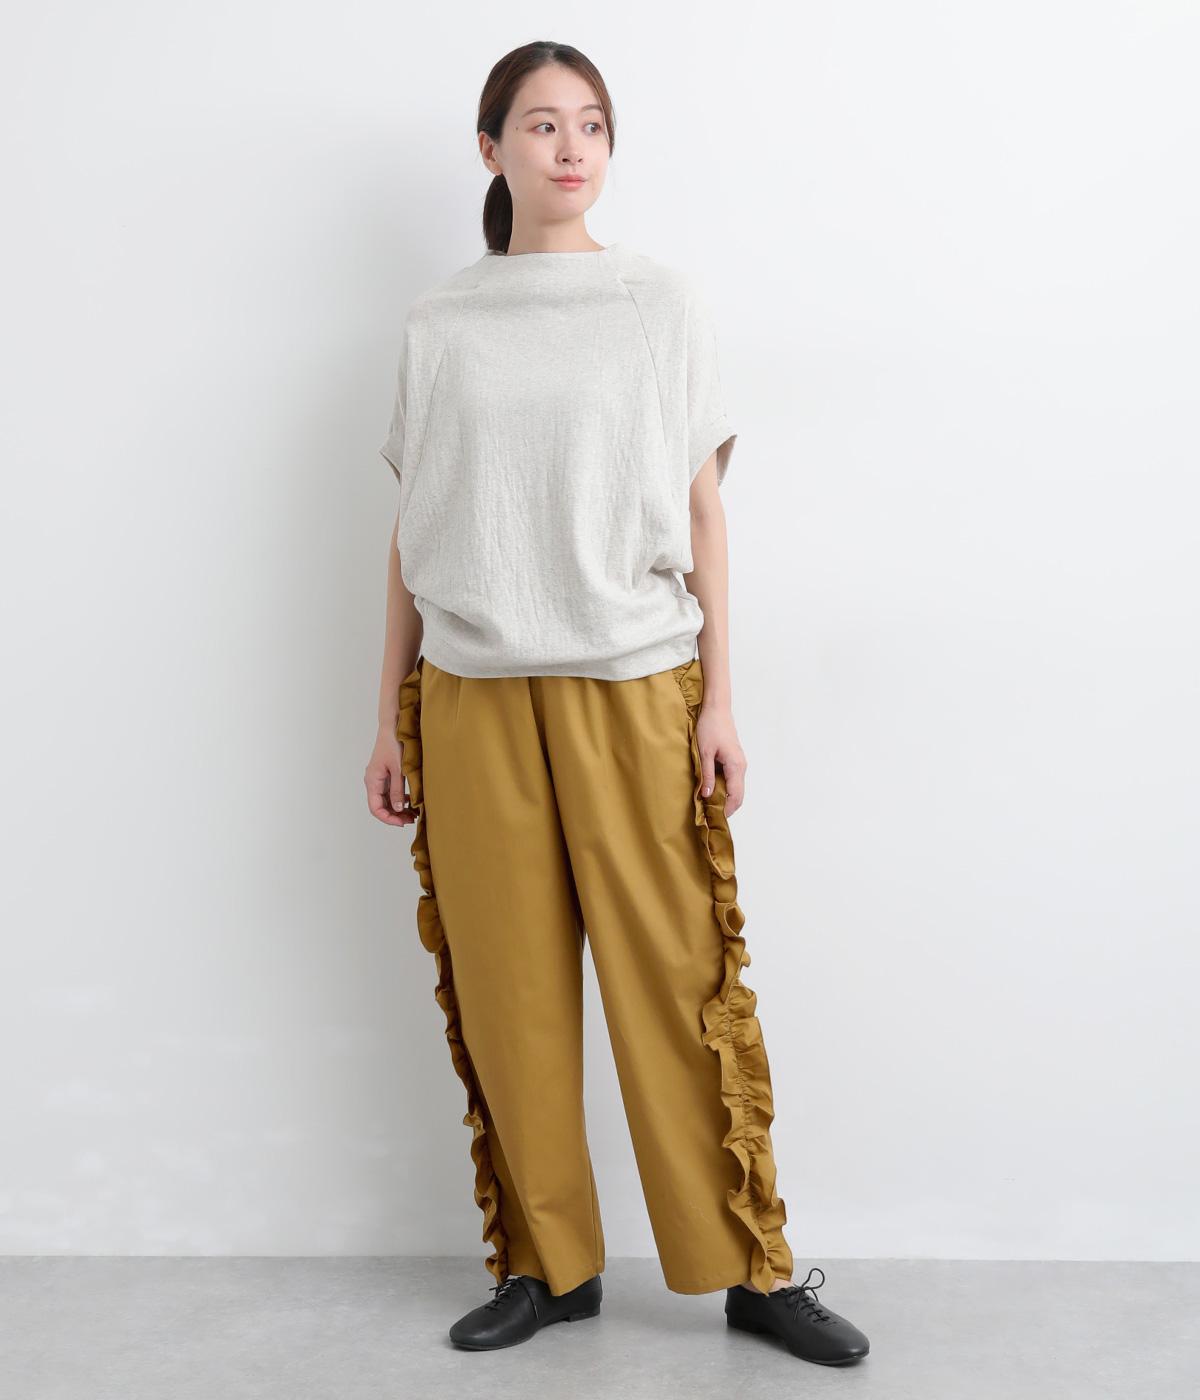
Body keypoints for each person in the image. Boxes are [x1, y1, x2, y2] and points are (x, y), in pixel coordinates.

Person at [364, 40, 870, 1366]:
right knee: (510, 993)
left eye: (590, 123)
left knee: (678, 981)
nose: (570, 147)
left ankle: (751, 1268)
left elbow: (704, 513)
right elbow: (412, 532)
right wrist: (385, 718)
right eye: (541, 124)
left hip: (636, 680)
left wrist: (721, 702)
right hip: (472, 694)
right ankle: (548, 1266)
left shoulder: (660, 303)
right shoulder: (441, 323)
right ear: (491, 149)